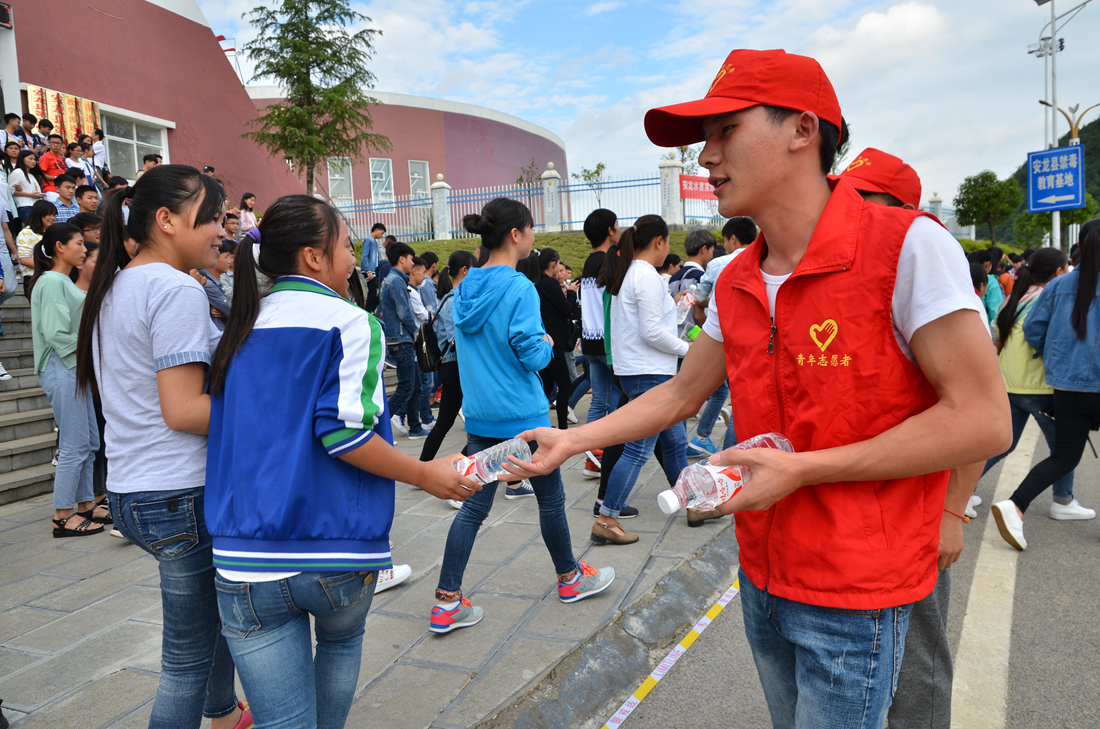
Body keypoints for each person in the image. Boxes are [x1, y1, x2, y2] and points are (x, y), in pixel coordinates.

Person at [509, 48, 1010, 728]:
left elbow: (982, 419)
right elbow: (684, 393)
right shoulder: (739, 276)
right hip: (763, 576)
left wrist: (803, 471)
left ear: (803, 130)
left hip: (857, 593)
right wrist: (573, 437)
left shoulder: (908, 249)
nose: (704, 157)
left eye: (725, 131)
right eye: (702, 139)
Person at [202, 195, 474, 728]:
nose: (355, 259)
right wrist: (425, 474)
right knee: (340, 648)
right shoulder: (350, 323)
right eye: (347, 246)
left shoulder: (237, 331)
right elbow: (344, 435)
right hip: (334, 551)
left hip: (241, 556)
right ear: (313, 257)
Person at [75, 165, 252, 729]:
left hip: (133, 490)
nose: (221, 232)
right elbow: (183, 411)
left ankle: (222, 714)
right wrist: (271, 419)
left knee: (213, 620)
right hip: (177, 491)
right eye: (211, 219)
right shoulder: (175, 288)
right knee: (185, 660)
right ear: (167, 220)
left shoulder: (118, 282)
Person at [430, 197, 615, 635]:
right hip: (524, 415)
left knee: (472, 508)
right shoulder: (518, 288)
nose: (535, 236)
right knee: (550, 498)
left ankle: (446, 601)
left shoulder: (465, 287)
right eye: (531, 228)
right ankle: (570, 579)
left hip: (479, 418)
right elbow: (530, 354)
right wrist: (549, 343)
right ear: (516, 234)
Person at [992, 220, 1100, 551]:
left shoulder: (1058, 285)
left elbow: (1035, 330)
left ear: (1079, 247)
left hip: (1066, 389)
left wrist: (1054, 360)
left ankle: (1016, 506)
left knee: (1064, 455)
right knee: (1064, 454)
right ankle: (1060, 503)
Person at [591, 215, 690, 545]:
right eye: (669, 243)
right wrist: (686, 349)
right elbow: (651, 331)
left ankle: (695, 503)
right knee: (637, 450)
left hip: (644, 372)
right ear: (659, 242)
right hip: (649, 374)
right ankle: (607, 518)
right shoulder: (645, 275)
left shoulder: (632, 273)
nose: (669, 249)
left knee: (675, 442)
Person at [28, 222, 107, 536]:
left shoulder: (62, 281)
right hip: (63, 367)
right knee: (75, 444)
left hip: (74, 368)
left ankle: (85, 505)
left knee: (89, 441)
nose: (84, 249)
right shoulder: (51, 282)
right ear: (59, 246)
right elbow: (57, 333)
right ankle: (63, 515)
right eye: (78, 243)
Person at [685, 216, 758, 459]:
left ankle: (723, 451)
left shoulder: (718, 264)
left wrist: (704, 305)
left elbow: (701, 295)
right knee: (743, 398)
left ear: (732, 238)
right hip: (756, 340)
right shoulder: (766, 258)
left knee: (724, 391)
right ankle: (731, 452)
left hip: (721, 337)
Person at [420, 250, 476, 462]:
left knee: (448, 422)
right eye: (473, 270)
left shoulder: (447, 298)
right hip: (455, 366)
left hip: (452, 367)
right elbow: (456, 341)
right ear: (465, 270)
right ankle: (432, 466)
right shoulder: (454, 301)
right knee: (446, 422)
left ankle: (429, 464)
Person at [379, 241, 430, 439]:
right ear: (402, 259)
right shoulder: (397, 280)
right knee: (407, 386)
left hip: (400, 339)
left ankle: (415, 428)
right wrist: (417, 333)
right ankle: (380, 431)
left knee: (415, 385)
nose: (412, 263)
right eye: (410, 259)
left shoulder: (394, 279)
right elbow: (404, 312)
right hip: (402, 340)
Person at [536, 248, 580, 430]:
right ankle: (562, 428)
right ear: (553, 264)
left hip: (545, 341)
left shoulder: (539, 284)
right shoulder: (550, 284)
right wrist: (570, 292)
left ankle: (537, 421)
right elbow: (567, 309)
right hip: (554, 344)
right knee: (564, 385)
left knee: (546, 386)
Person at [17, 200, 57, 274]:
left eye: (54, 215)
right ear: (38, 214)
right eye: (49, 214)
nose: (53, 218)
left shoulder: (53, 232)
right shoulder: (26, 233)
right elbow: (24, 259)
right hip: (33, 277)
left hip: (52, 275)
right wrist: (48, 268)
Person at [10, 150, 46, 219]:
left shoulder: (32, 175)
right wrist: (30, 195)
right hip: (25, 205)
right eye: (30, 159)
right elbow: (11, 191)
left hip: (35, 206)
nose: (33, 161)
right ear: (22, 159)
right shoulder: (18, 172)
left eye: (34, 159)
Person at [361, 222, 385, 312]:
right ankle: (368, 312)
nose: (382, 235)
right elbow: (364, 256)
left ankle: (369, 311)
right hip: (369, 271)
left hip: (373, 271)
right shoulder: (369, 240)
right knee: (372, 293)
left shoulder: (374, 242)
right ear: (376, 230)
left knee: (376, 292)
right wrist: (368, 271)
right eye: (381, 233)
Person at [38, 135, 68, 199]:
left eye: (58, 143)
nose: (56, 145)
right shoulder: (45, 157)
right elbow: (40, 175)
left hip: (62, 190)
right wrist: (56, 178)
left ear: (61, 144)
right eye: (53, 143)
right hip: (50, 189)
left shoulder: (61, 158)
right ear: (49, 143)